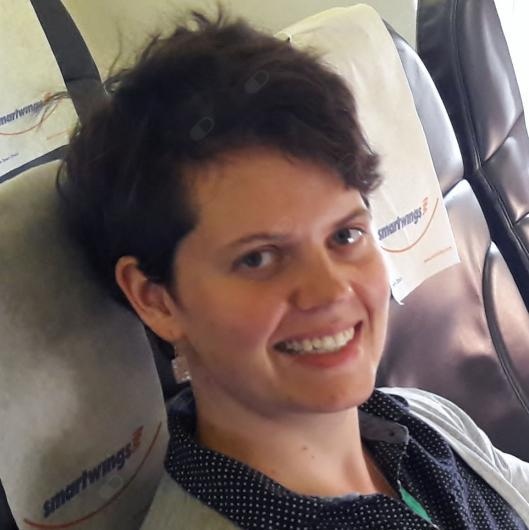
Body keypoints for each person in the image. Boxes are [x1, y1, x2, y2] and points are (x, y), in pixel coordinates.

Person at [57, 9, 529, 530]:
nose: (331, 290)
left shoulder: (420, 421)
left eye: (345, 235)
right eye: (258, 258)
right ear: (156, 299)